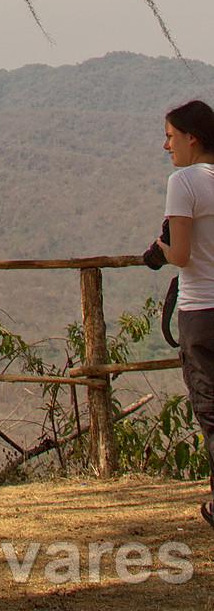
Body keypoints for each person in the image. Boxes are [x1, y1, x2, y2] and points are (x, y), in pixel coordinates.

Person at [150, 99, 214, 529]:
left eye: (171, 137)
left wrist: (159, 249)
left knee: (210, 409)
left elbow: (182, 254)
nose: (166, 145)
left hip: (200, 310)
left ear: (192, 138)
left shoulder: (184, 182)